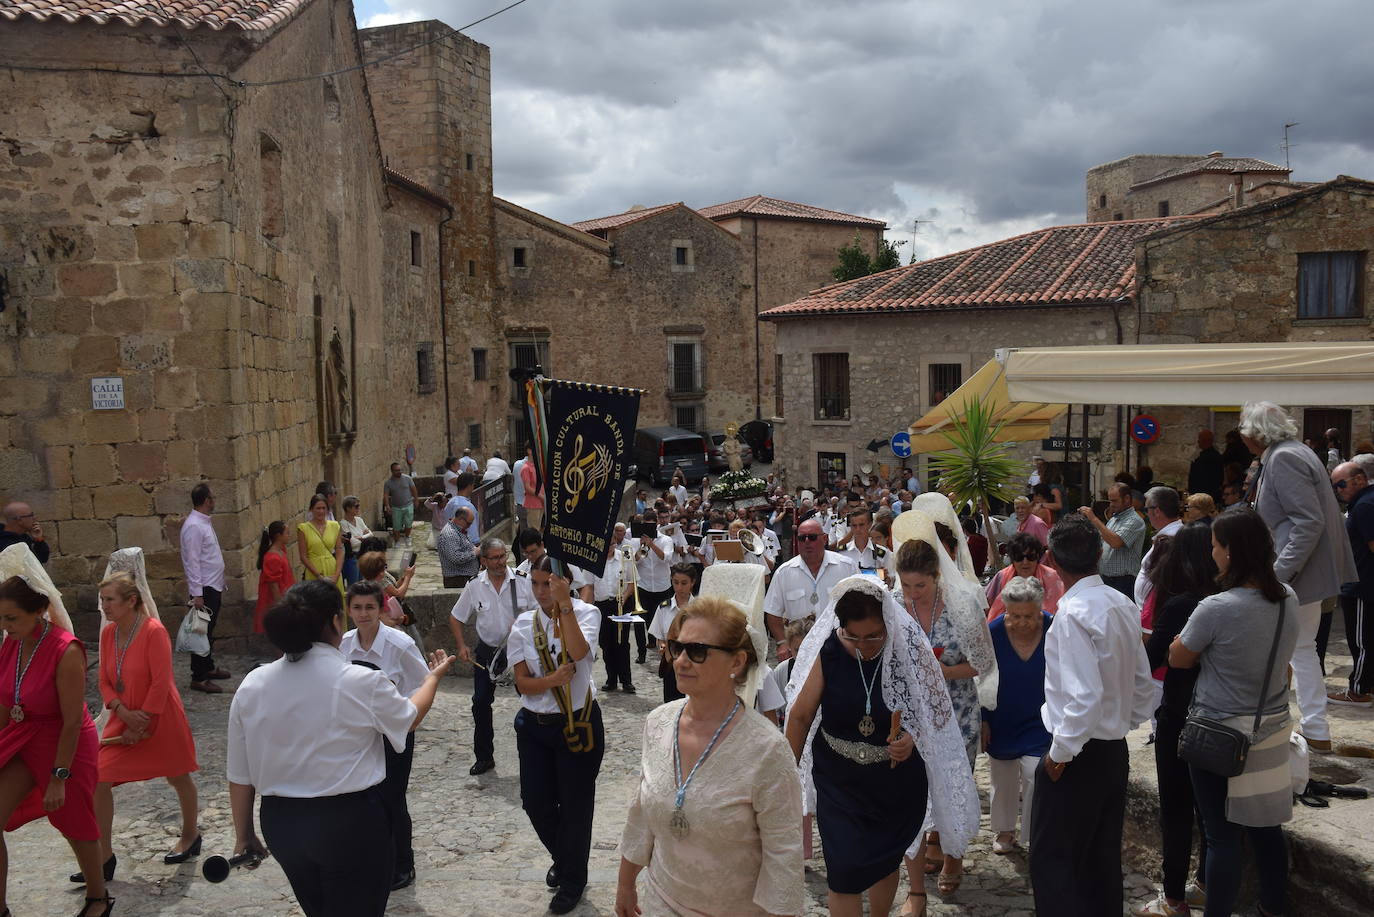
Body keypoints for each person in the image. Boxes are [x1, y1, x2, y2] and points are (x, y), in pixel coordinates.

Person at [227, 580, 452, 917]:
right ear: (336, 620)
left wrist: (243, 835)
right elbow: (407, 717)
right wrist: (431, 680)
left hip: (282, 823)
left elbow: (240, 773)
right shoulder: (359, 681)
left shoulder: (253, 683)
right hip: (348, 822)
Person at [785, 575, 979, 917]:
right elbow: (800, 717)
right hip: (838, 779)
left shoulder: (908, 649)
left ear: (888, 624)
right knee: (842, 873)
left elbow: (932, 715)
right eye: (853, 637)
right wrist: (785, 776)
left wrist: (911, 740)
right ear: (839, 628)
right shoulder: (830, 651)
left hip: (895, 783)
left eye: (874, 636)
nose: (864, 645)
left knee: (884, 862)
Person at [616, 597, 803, 917]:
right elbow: (641, 812)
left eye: (698, 651)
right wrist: (625, 884)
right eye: (677, 648)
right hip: (659, 902)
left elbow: (783, 856)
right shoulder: (658, 723)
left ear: (736, 662)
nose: (681, 661)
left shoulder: (767, 749)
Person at [1167, 509, 1298, 917]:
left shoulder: (1218, 607)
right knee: (1265, 828)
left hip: (1220, 733)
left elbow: (1178, 658)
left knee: (1220, 834)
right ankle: (1274, 907)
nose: (1212, 553)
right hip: (1272, 727)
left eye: (1215, 546)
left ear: (1231, 552)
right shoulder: (1288, 598)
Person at [1030, 515, 1154, 917]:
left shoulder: (1074, 614)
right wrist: (1124, 721)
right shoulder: (1120, 603)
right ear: (1100, 553)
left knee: (1056, 861)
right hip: (1111, 751)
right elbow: (1141, 684)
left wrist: (1059, 754)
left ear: (1051, 558)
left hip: (1077, 755)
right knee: (1100, 861)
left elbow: (1083, 698)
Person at [1241, 401, 1356, 754]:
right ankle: (1314, 728)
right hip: (1306, 572)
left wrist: (1277, 575)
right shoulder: (1295, 452)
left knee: (1291, 650)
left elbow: (1307, 522)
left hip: (1298, 574)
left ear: (1255, 434)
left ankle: (1301, 727)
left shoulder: (1285, 457)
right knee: (1301, 650)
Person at [0, 548, 110, 917]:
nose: (6, 625)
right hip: (23, 737)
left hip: (66, 743)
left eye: (12, 617)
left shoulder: (66, 650)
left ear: (39, 611)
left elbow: (72, 720)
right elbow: (5, 700)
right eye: (1, 618)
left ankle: (98, 896)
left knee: (74, 822)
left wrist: (58, 777)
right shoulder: (12, 643)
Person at [893, 516, 995, 898]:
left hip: (958, 712)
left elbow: (983, 663)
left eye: (920, 585)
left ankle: (954, 855)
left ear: (937, 576)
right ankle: (927, 843)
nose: (913, 593)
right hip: (915, 713)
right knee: (919, 785)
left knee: (954, 784)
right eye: (906, 585)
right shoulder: (895, 604)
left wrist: (944, 671)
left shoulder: (962, 605)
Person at [88, 571, 200, 886]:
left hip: (161, 718)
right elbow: (105, 681)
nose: (104, 606)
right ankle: (103, 855)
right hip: (125, 717)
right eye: (103, 600)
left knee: (178, 776)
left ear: (131, 601)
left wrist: (144, 720)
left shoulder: (153, 631)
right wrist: (122, 711)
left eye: (109, 600)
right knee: (99, 777)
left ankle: (191, 835)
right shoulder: (108, 634)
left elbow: (161, 681)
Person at [508, 557, 604, 915]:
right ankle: (566, 859)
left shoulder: (586, 614)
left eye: (547, 583)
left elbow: (580, 653)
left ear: (564, 582)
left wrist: (565, 607)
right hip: (535, 725)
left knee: (575, 806)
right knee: (535, 802)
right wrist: (550, 681)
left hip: (577, 721)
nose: (540, 591)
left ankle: (572, 880)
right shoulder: (522, 624)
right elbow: (522, 683)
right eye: (535, 583)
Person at [1133, 522, 1217, 917]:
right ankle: (1203, 884)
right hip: (1220, 717)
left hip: (1182, 715)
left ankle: (1173, 899)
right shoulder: (1230, 597)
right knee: (1212, 812)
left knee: (1178, 810)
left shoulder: (1183, 604)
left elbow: (1152, 661)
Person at [340, 581, 431, 891]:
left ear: (380, 609)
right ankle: (372, 858)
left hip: (394, 734)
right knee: (363, 798)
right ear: (348, 609)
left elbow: (423, 683)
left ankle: (403, 863)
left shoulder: (399, 644)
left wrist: (408, 716)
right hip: (359, 737)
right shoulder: (344, 645)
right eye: (357, 607)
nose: (363, 614)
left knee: (392, 798)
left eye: (370, 607)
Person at [449, 537, 535, 776]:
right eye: (495, 558)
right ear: (483, 560)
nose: (500, 562)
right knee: (480, 703)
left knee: (531, 701)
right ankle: (484, 757)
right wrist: (461, 645)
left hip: (519, 651)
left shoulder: (522, 581)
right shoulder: (475, 585)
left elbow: (541, 613)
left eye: (503, 556)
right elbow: (456, 617)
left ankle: (534, 755)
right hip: (487, 652)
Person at [981, 576, 1052, 855]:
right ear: (1006, 611)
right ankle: (1004, 829)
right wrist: (984, 718)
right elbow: (983, 677)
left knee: (1036, 774)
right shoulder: (994, 632)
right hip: (1003, 715)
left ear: (1040, 609)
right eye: (1015, 616)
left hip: (1041, 716)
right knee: (1002, 776)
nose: (1023, 622)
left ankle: (1035, 833)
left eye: (1030, 616)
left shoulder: (1055, 627)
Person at [763, 518, 858, 661]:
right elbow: (772, 613)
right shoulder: (784, 572)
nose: (807, 541)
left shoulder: (847, 567)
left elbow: (860, 606)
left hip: (840, 647)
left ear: (825, 539)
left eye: (812, 537)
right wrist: (782, 642)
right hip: (801, 651)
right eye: (802, 538)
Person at [1329, 461, 1374, 706]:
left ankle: (1358, 690)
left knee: (1361, 641)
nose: (1339, 491)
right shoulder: (1366, 502)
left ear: (1358, 480)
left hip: (1362, 585)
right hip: (1363, 584)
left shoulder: (1365, 505)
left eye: (1341, 485)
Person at [179, 483, 229, 695]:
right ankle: (198, 677)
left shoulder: (202, 523)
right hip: (205, 588)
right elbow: (192, 561)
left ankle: (207, 667)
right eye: (213, 498)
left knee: (208, 630)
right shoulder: (193, 526)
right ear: (207, 500)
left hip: (212, 584)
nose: (214, 501)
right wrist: (197, 593)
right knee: (201, 632)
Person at [1080, 482, 1147, 598]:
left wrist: (1093, 518)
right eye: (1110, 501)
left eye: (1114, 501)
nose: (1111, 505)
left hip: (1123, 581)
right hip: (1107, 579)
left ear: (1126, 499)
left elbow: (1116, 542)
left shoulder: (1135, 520)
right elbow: (1104, 541)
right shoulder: (1114, 519)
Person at [594, 526, 636, 694]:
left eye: (612, 545)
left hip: (621, 603)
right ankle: (611, 679)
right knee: (606, 644)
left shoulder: (625, 556)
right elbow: (589, 586)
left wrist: (625, 596)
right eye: (606, 546)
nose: (609, 548)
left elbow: (632, 582)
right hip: (602, 605)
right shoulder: (594, 560)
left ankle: (626, 681)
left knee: (622, 643)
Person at [986, 532, 1065, 620]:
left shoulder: (1053, 578)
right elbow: (986, 603)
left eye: (1030, 557)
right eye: (1019, 557)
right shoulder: (1001, 576)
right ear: (1012, 559)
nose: (1025, 562)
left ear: (1038, 557)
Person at [648, 564, 698, 703]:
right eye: (675, 583)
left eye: (684, 583)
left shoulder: (699, 608)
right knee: (671, 704)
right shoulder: (664, 608)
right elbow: (660, 637)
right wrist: (662, 646)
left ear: (692, 582)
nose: (679, 588)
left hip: (695, 664)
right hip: (672, 665)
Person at [632, 511, 676, 662]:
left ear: (656, 523)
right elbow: (635, 561)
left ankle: (665, 650)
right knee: (638, 622)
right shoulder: (637, 541)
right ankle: (641, 653)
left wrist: (652, 544)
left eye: (652, 525)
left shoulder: (666, 540)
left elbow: (666, 558)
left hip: (662, 587)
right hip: (643, 585)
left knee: (662, 621)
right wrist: (643, 546)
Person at [1135, 486, 1185, 608]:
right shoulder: (1172, 534)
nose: (1146, 514)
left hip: (1156, 612)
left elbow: (1164, 580)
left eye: (1146, 510)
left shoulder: (1172, 538)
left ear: (1156, 511)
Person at [297, 494, 344, 599]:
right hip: (314, 571)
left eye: (324, 508)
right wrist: (318, 576)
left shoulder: (335, 526)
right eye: (318, 508)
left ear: (327, 510)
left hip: (332, 570)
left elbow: (339, 551)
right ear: (311, 509)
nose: (321, 511)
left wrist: (337, 574)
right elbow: (303, 556)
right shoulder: (303, 528)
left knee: (335, 603)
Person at [254, 522, 295, 636]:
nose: (289, 535)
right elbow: (273, 585)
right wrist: (280, 606)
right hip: (278, 601)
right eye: (287, 533)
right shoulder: (272, 557)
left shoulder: (281, 551)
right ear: (278, 535)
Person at [436, 507, 478, 589]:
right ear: (461, 519)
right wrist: (475, 553)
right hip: (457, 580)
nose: (469, 526)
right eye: (468, 523)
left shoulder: (458, 530)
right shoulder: (450, 534)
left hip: (464, 578)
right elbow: (456, 558)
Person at [337, 496, 372, 586]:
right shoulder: (343, 524)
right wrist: (365, 537)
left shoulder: (359, 520)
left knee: (363, 583)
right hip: (352, 558)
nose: (358, 508)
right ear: (348, 508)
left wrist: (361, 538)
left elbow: (371, 535)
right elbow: (352, 543)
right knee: (354, 584)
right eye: (356, 506)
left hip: (362, 555)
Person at [383, 463, 419, 546]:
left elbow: (414, 489)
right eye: (397, 470)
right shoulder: (388, 483)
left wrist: (416, 500)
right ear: (392, 471)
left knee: (409, 523)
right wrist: (387, 506)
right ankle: (397, 541)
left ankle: (407, 537)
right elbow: (386, 495)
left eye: (400, 470)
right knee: (396, 526)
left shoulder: (407, 478)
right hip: (396, 507)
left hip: (408, 504)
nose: (399, 472)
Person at [1188, 431, 1225, 502]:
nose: (1198, 441)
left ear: (1206, 441)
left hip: (1203, 494)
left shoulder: (1209, 458)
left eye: (1200, 439)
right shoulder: (1214, 456)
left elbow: (1200, 478)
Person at [520, 446, 545, 531]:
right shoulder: (526, 468)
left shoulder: (537, 466)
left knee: (538, 530)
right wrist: (541, 496)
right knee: (534, 530)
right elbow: (527, 488)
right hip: (533, 503)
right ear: (529, 451)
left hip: (540, 502)